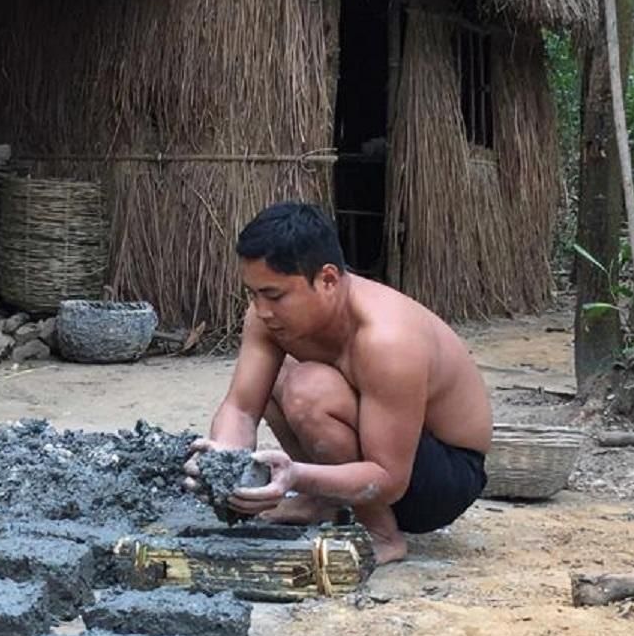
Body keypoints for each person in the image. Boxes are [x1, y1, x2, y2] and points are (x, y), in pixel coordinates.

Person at [185, 201, 492, 564]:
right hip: (380, 462)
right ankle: (323, 503)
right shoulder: (266, 317)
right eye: (253, 294)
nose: (262, 309)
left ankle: (382, 535)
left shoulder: (387, 339)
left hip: (439, 481)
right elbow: (241, 406)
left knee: (310, 390)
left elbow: (390, 478)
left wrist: (294, 476)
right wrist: (224, 462)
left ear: (328, 279)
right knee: (278, 380)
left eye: (275, 295)